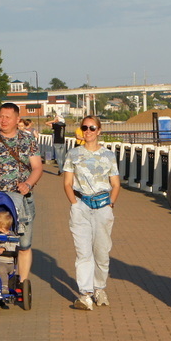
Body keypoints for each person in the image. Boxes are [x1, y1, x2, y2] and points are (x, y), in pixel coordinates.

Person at [0, 103, 43, 293]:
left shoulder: (28, 140)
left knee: (23, 244)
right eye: (1, 117)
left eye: (7, 117)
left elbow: (37, 167)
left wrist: (28, 183)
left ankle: (21, 282)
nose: (3, 120)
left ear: (17, 120)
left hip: (22, 199)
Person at [62, 115, 120, 310]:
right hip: (81, 205)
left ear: (99, 131)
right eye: (84, 128)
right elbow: (67, 182)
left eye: (92, 128)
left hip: (103, 206)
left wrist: (110, 204)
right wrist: (74, 203)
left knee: (102, 252)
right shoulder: (73, 154)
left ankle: (99, 288)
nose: (88, 131)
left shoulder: (109, 155)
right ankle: (85, 294)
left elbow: (115, 183)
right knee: (83, 253)